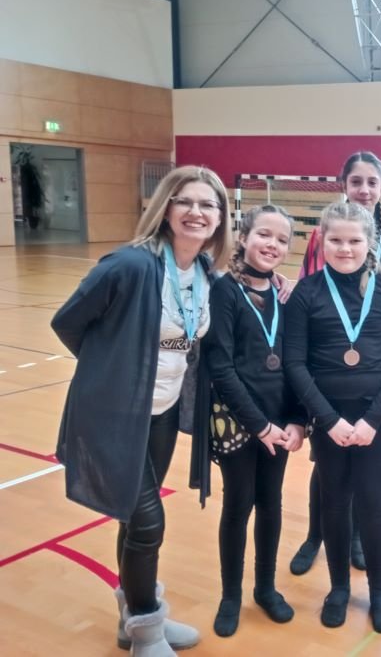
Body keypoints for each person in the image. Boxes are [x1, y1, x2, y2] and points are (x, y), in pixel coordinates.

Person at [51, 165, 232, 656]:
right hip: (114, 415)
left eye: (208, 204)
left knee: (133, 522)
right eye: (185, 201)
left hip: (164, 412)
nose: (196, 212)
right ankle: (147, 633)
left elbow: (188, 335)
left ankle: (131, 619)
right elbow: (68, 322)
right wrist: (113, 368)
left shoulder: (206, 274)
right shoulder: (129, 265)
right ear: (165, 208)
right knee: (149, 523)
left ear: (220, 217)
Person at [284, 201, 381, 633]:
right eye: (336, 240)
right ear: (321, 241)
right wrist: (328, 419)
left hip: (374, 421)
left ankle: (380, 592)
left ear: (369, 242)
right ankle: (338, 588)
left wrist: (373, 420)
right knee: (335, 503)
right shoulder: (307, 294)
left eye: (354, 240)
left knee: (374, 504)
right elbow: (295, 364)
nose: (345, 249)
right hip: (329, 420)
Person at [291, 150, 381, 575]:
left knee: (367, 470)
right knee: (325, 467)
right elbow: (308, 286)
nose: (364, 189)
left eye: (372, 182)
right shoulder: (323, 233)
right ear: (344, 185)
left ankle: (357, 537)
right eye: (356, 181)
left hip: (373, 372)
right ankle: (315, 536)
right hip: (328, 370)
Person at [203, 204, 307, 637]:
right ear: (243, 237)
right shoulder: (224, 291)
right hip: (238, 421)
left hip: (279, 423)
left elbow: (299, 363)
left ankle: (265, 587)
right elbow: (221, 367)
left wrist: (298, 421)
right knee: (238, 504)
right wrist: (259, 426)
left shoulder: (287, 296)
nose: (272, 245)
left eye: (282, 239)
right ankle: (230, 595)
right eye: (264, 234)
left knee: (271, 502)